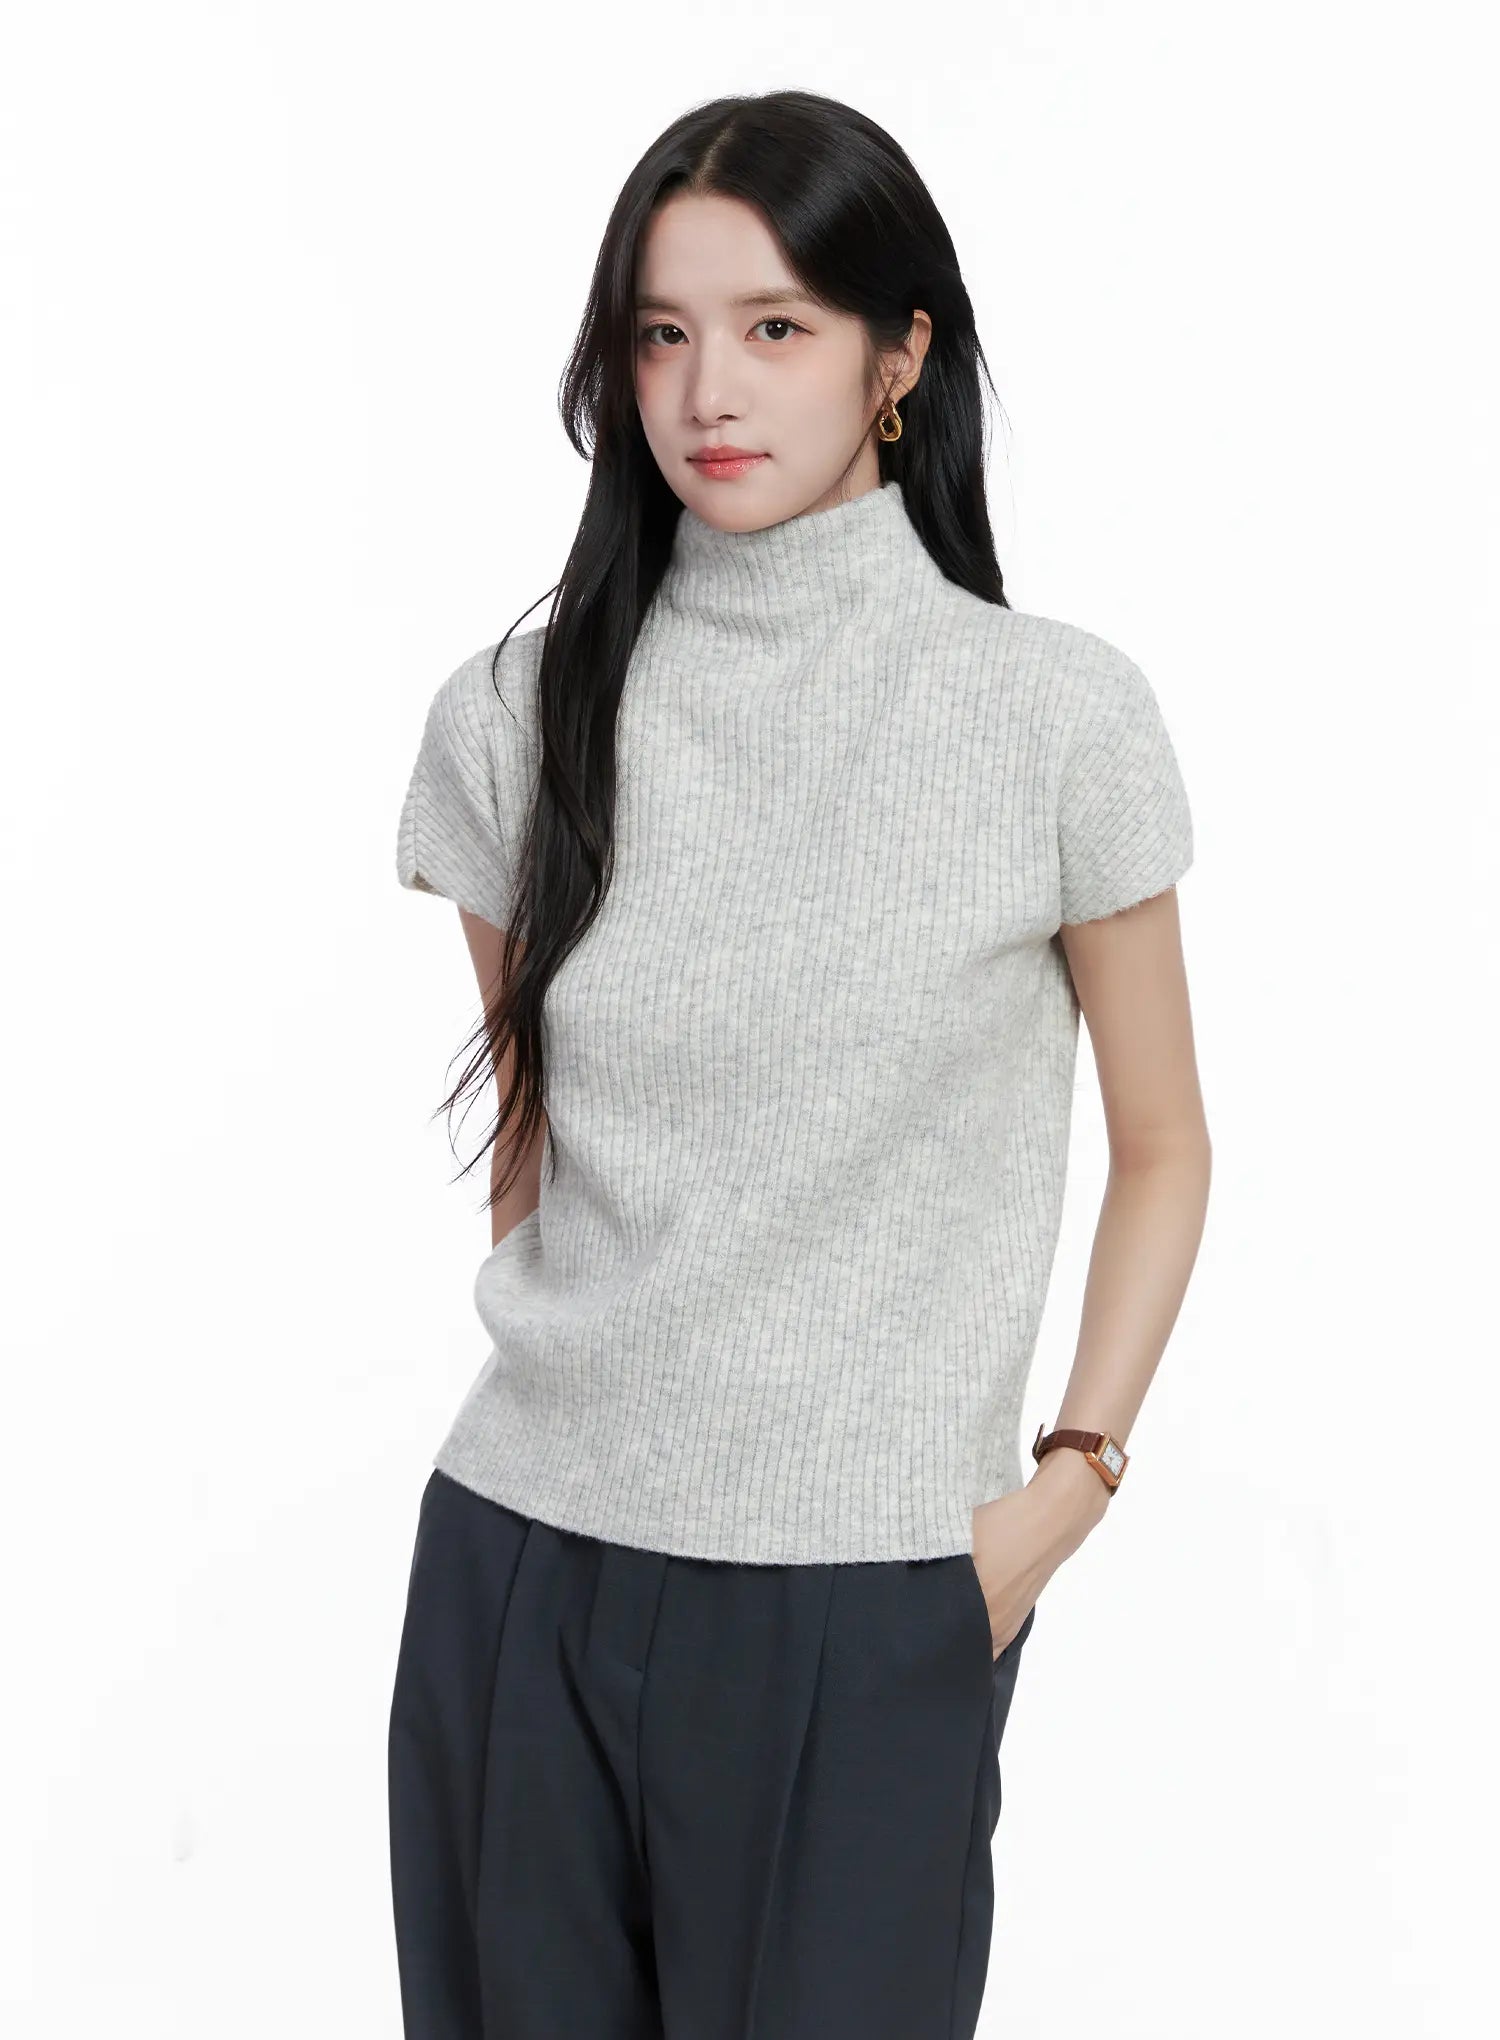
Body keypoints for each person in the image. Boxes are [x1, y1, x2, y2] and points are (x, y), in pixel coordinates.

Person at [386, 87, 1210, 2040]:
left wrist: (1065, 1491)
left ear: (897, 355)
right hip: (525, 1562)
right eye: (662, 334)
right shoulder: (514, 715)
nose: (709, 391)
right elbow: (539, 1134)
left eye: (776, 327)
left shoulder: (1053, 721)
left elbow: (1166, 1143)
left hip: (871, 1589)